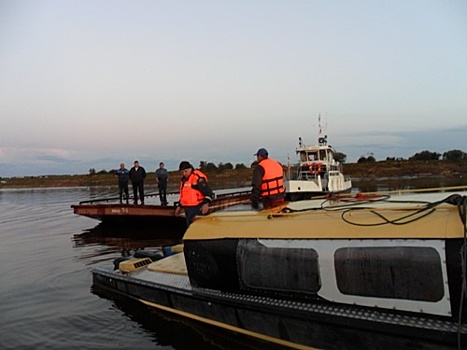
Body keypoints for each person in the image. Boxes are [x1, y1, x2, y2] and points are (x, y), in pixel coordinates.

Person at [174, 161, 214, 225]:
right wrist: (179, 206)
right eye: (182, 172)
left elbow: (209, 193)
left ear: (190, 169)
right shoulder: (184, 181)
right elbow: (185, 195)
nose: (184, 174)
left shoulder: (197, 178)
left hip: (197, 208)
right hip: (188, 209)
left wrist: (206, 204)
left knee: (198, 227)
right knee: (190, 226)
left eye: (186, 171)